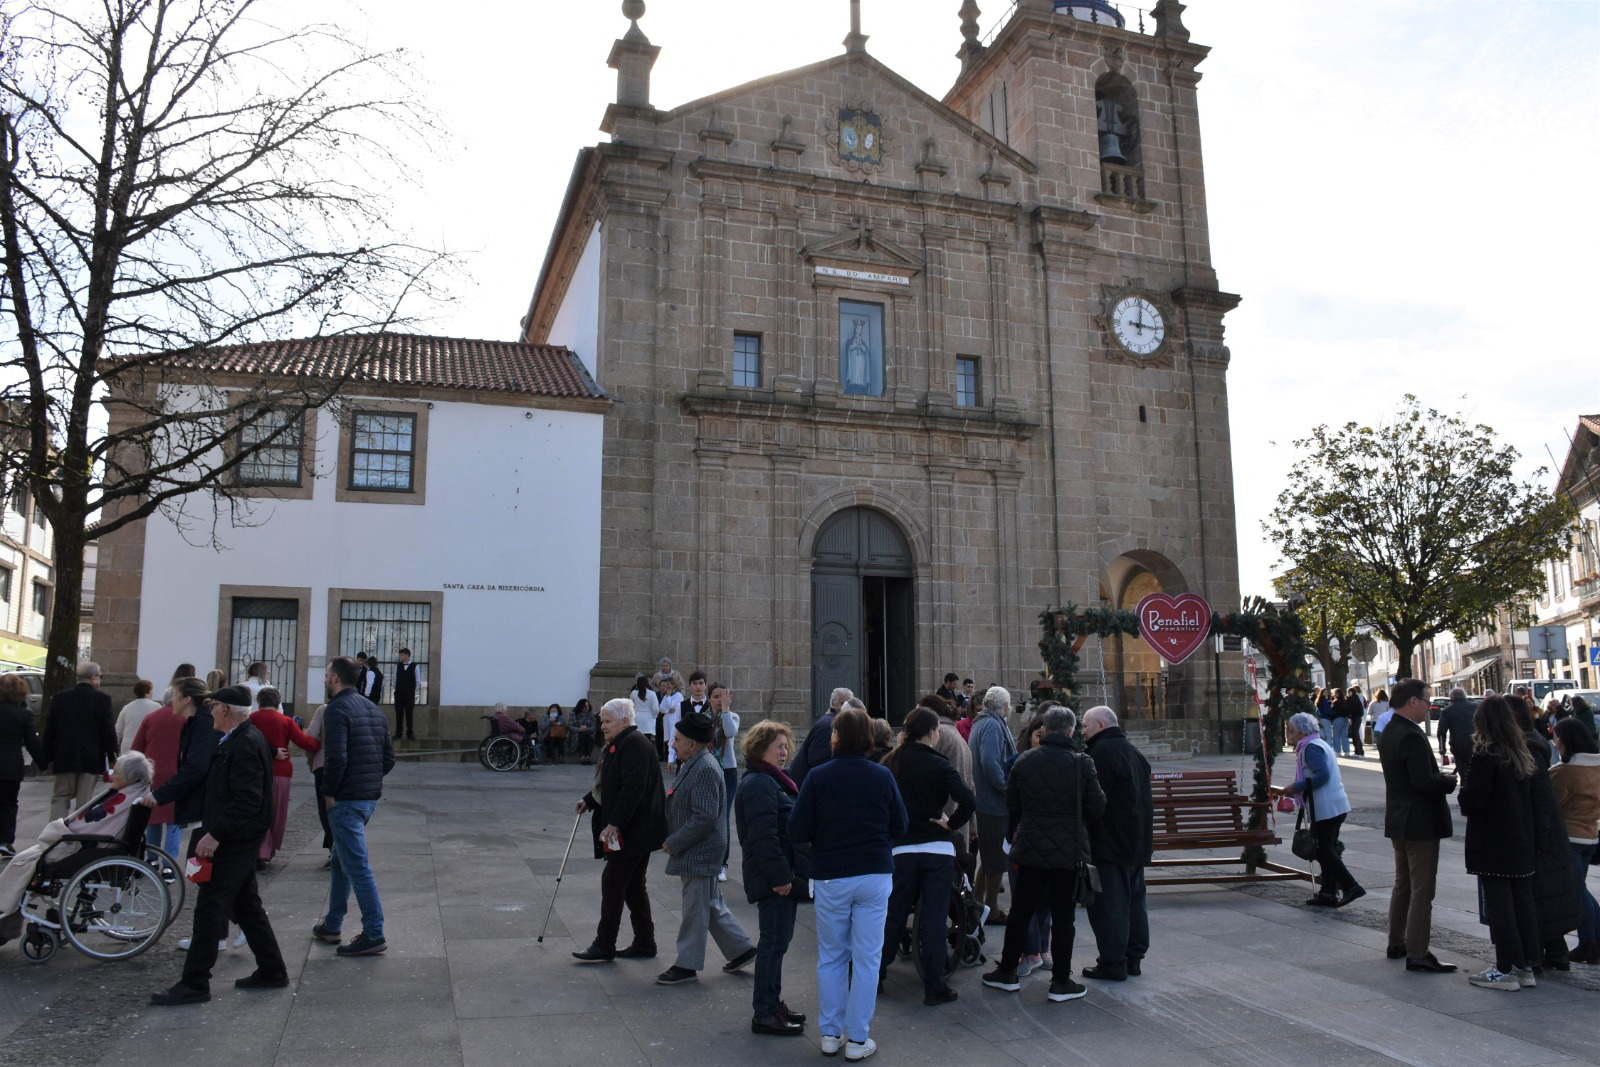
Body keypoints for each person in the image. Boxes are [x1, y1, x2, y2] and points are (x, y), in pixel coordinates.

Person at [149, 688, 288, 1005]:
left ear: (225, 710)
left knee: (210, 906)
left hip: (233, 840)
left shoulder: (244, 743)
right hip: (234, 836)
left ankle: (195, 982)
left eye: (212, 707)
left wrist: (215, 835)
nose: (209, 711)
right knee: (246, 906)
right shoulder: (237, 740)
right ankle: (272, 969)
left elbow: (248, 800)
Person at [789, 706, 907, 1061]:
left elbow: (796, 829)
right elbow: (900, 825)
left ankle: (829, 1032)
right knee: (868, 958)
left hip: (832, 873)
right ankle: (858, 1037)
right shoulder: (882, 775)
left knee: (832, 955)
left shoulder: (819, 776)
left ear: (836, 736)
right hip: (873, 871)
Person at [981, 706, 1105, 1004]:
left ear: (1045, 729)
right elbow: (1097, 806)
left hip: (1030, 849)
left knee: (1021, 911)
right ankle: (1061, 981)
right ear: (1071, 731)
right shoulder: (1081, 763)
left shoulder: (1025, 760)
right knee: (1064, 917)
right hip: (1067, 852)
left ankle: (1008, 972)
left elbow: (1012, 802)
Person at [878, 706, 975, 1007]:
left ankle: (876, 975)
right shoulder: (939, 764)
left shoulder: (891, 762)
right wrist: (951, 823)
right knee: (934, 918)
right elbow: (968, 799)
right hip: (935, 848)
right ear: (932, 733)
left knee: (893, 914)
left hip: (901, 847)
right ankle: (934, 986)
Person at [656, 711, 756, 986]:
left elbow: (705, 817)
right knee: (710, 904)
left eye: (677, 740)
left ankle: (686, 965)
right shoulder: (696, 762)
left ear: (692, 743)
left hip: (700, 851)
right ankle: (742, 949)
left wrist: (675, 841)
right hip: (700, 849)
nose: (672, 744)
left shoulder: (703, 768)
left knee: (694, 910)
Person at [1, 752, 154, 930]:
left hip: (84, 846)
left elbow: (91, 826)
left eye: (116, 772)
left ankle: (4, 917)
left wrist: (61, 830)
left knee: (23, 863)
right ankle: (5, 919)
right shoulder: (133, 792)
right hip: (92, 845)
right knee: (23, 859)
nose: (112, 775)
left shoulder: (124, 797)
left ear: (130, 776)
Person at [573, 698, 669, 963]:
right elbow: (611, 782)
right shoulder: (622, 742)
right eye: (601, 721)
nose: (602, 726)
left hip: (635, 830)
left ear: (625, 721)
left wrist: (615, 823)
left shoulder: (635, 744)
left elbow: (632, 789)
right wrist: (590, 800)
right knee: (633, 886)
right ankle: (644, 942)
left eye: (607, 721)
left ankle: (604, 944)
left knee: (613, 882)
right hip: (636, 828)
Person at [312, 656, 396, 957]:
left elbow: (337, 758)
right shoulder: (373, 709)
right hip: (367, 798)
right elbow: (388, 759)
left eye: (325, 675)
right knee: (340, 860)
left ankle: (374, 932)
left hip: (346, 800)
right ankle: (332, 924)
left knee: (357, 867)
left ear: (335, 678)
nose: (324, 680)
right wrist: (368, 783)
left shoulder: (336, 709)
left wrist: (329, 792)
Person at [1458, 694, 1540, 990]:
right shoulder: (1520, 753)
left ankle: (1506, 968)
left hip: (1493, 842)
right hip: (1520, 840)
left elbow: (1472, 800)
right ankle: (1526, 965)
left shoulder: (1486, 755)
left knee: (1500, 907)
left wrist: (1462, 793)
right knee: (1522, 905)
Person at [735, 719, 810, 1035]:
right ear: (760, 748)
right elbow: (763, 838)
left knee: (778, 943)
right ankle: (764, 1012)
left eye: (786, 746)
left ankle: (771, 1002)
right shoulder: (760, 784)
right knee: (772, 944)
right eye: (778, 746)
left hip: (781, 877)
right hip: (774, 880)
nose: (785, 752)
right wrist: (781, 878)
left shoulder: (772, 781)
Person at [1377, 677, 1458, 973]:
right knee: (1422, 891)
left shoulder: (1389, 730)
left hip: (1400, 819)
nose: (1429, 707)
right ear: (1412, 702)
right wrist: (1449, 781)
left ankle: (1396, 941)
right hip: (1419, 822)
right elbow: (1423, 782)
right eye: (1426, 701)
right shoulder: (1411, 735)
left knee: (1403, 885)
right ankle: (1418, 952)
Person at [1506, 695, 1580, 971]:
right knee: (1544, 895)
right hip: (1545, 832)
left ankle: (1539, 954)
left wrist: (1539, 835)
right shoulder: (1532, 743)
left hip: (1541, 835)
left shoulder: (1527, 747)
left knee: (1538, 895)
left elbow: (1537, 798)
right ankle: (1555, 952)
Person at [1081, 706, 1153, 981]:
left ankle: (1113, 963)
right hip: (1137, 844)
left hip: (1110, 845)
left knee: (1110, 904)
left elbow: (1094, 803)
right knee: (1135, 901)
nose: (1082, 731)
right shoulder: (1132, 752)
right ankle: (1133, 958)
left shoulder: (1100, 755)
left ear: (1100, 724)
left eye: (1086, 726)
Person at [1277, 712, 1365, 908]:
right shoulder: (1318, 743)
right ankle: (1328, 892)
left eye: (1291, 730)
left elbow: (1321, 775)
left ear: (1300, 731)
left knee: (1323, 850)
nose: (1289, 734)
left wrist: (1296, 787)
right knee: (1326, 849)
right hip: (1334, 804)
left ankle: (1350, 886)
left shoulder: (1311, 748)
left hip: (1326, 806)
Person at [249, 686, 319, 866]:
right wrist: (321, 742)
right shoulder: (286, 721)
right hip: (281, 771)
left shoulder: (252, 719)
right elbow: (305, 743)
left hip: (257, 771)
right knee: (277, 812)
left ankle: (260, 849)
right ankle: (270, 848)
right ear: (278, 703)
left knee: (259, 809)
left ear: (259, 702)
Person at [40, 661, 118, 820]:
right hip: (91, 758)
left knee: (60, 797)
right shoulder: (102, 699)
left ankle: (55, 835)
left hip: (64, 757)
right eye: (100, 677)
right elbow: (108, 731)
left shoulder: (59, 698)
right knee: (85, 802)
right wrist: (112, 757)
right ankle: (80, 839)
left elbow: (50, 731)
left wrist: (48, 757)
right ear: (93, 677)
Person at [1550, 718, 1600, 963]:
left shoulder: (1565, 773)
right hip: (1590, 836)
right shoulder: (1596, 767)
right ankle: (1594, 939)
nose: (1555, 743)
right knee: (1581, 889)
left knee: (1577, 891)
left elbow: (1551, 805)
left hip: (1568, 836)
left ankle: (1589, 943)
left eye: (1557, 738)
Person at [968, 684, 1018, 924]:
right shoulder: (991, 725)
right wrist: (1007, 788)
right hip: (992, 802)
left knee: (989, 857)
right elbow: (990, 762)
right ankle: (992, 908)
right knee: (996, 858)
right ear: (1004, 706)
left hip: (987, 801)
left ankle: (977, 903)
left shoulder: (983, 722)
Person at [131, 688, 185, 857]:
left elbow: (136, 748)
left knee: (153, 817)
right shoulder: (186, 719)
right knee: (174, 820)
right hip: (178, 772)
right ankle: (169, 863)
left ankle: (152, 858)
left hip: (153, 772)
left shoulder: (151, 717)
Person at [0, 673, 43, 857]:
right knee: (9, 803)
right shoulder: (24, 714)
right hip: (11, 766)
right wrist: (42, 763)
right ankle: (5, 842)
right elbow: (32, 743)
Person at [789, 687, 852, 786]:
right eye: (843, 703)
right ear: (834, 704)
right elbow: (819, 759)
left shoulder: (832, 722)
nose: (848, 708)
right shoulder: (829, 725)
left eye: (850, 704)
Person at [710, 683, 741, 880]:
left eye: (723, 697)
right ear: (709, 699)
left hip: (727, 771)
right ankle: (709, 859)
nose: (719, 700)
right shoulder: (703, 719)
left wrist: (726, 710)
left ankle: (722, 863)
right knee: (707, 816)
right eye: (716, 697)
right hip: (707, 770)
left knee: (723, 818)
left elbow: (730, 733)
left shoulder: (732, 716)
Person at [303, 701, 334, 864]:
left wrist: (310, 761)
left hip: (323, 763)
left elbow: (311, 737)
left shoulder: (323, 709)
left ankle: (333, 847)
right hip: (348, 766)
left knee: (326, 809)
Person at [115, 680, 161, 754]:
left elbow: (118, 731)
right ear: (147, 692)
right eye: (151, 690)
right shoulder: (157, 707)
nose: (152, 692)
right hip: (146, 747)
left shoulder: (126, 708)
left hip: (128, 748)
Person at [1437, 687, 1476, 769]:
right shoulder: (1477, 707)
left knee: (1463, 769)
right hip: (1478, 742)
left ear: (1451, 698)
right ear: (1465, 696)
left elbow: (1441, 731)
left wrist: (1442, 748)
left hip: (1459, 745)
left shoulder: (1447, 711)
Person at [630, 675, 662, 761]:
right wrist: (654, 716)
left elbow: (630, 706)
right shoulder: (652, 694)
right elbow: (655, 708)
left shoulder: (633, 693)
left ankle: (635, 757)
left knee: (636, 740)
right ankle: (646, 758)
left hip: (636, 720)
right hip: (648, 721)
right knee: (647, 741)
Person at [392, 647, 418, 741]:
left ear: (407, 655)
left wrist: (412, 690)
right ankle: (398, 733)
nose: (400, 656)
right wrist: (397, 689)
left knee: (409, 713)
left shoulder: (415, 666)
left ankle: (410, 733)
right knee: (399, 714)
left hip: (409, 694)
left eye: (402, 655)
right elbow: (394, 679)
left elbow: (417, 680)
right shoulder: (398, 666)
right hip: (399, 694)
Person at [658, 678, 683, 767]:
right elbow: (661, 707)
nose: (667, 686)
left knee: (674, 739)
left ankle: (676, 759)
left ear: (674, 685)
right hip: (667, 719)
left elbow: (671, 705)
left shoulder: (678, 695)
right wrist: (669, 710)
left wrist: (669, 706)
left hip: (673, 720)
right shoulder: (666, 696)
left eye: (669, 684)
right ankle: (670, 759)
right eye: (666, 684)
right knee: (669, 740)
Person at [1341, 685, 1367, 757]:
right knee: (1356, 734)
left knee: (1355, 734)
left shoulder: (1354, 699)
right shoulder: (1352, 699)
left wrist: (1350, 714)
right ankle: (1360, 751)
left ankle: (1358, 751)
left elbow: (1353, 709)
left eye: (1349, 692)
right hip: (1355, 718)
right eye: (1347, 692)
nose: (1348, 693)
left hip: (1356, 718)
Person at [573, 698, 598, 764]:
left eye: (588, 706)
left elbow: (593, 727)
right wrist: (579, 729)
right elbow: (570, 727)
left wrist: (587, 729)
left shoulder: (590, 715)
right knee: (582, 737)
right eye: (585, 706)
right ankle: (582, 757)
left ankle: (587, 757)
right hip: (576, 734)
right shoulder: (574, 714)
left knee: (589, 738)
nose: (587, 708)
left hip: (589, 733)